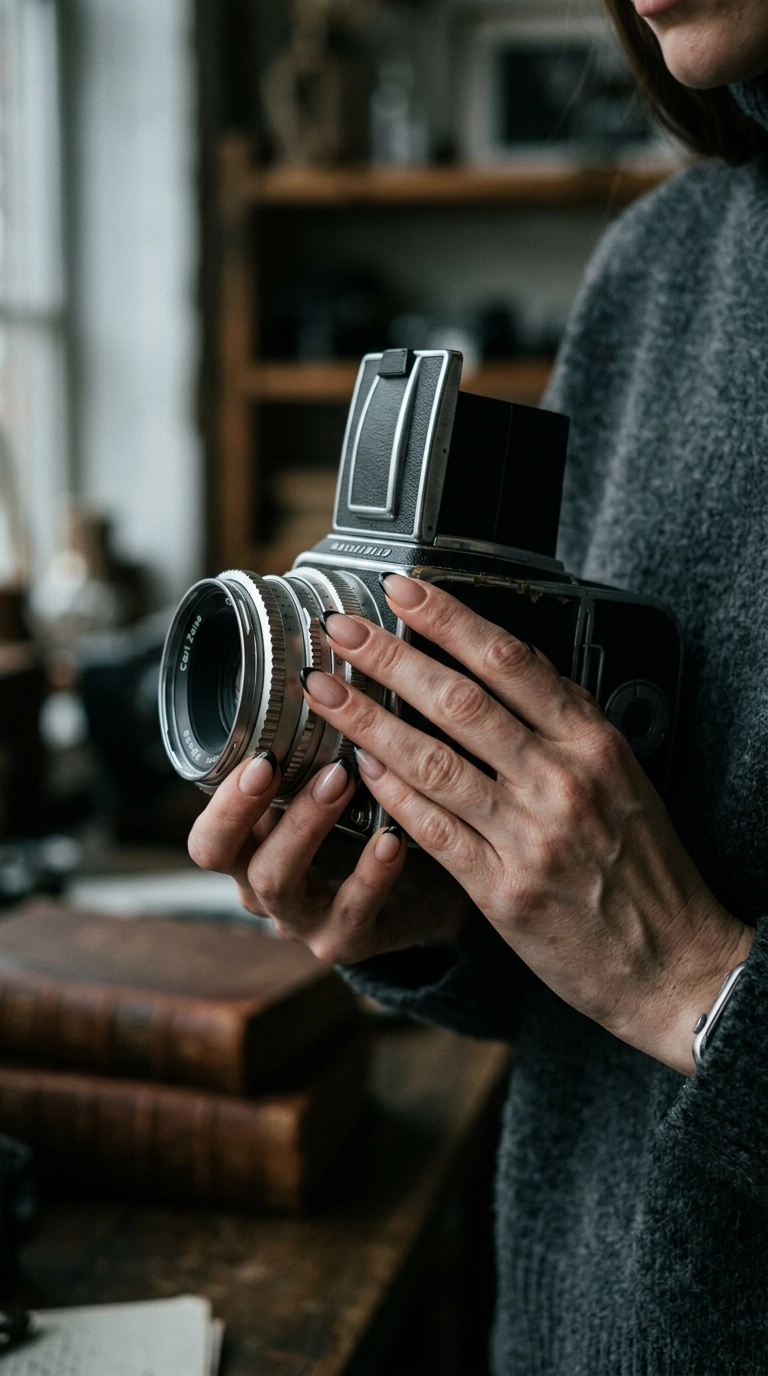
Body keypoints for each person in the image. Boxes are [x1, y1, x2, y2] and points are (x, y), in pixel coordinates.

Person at [189, 0, 768, 1369]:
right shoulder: (663, 266)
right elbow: (584, 960)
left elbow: (656, 960)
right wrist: (434, 909)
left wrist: (703, 985)